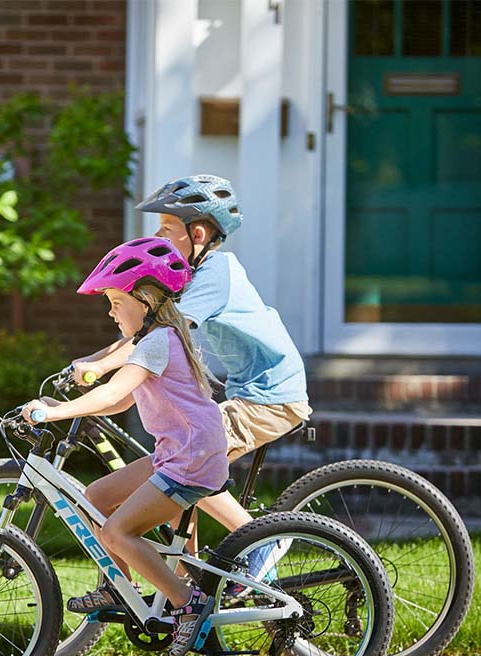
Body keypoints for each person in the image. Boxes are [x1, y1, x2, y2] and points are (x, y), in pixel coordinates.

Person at [72, 175, 311, 576]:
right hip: (251, 392)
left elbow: (156, 335)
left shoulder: (215, 273)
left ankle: (261, 539)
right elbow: (144, 336)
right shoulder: (189, 275)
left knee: (191, 460)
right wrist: (90, 361)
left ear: (196, 233)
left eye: (167, 228)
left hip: (270, 397)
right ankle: (189, 578)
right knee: (178, 471)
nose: (159, 236)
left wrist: (97, 365)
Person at [21, 237, 229, 656]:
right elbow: (121, 400)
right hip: (179, 451)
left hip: (189, 459)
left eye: (117, 300)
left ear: (146, 300)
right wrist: (64, 407)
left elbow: (112, 388)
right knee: (95, 497)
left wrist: (51, 416)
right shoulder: (154, 341)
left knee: (115, 530)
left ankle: (186, 602)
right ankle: (120, 587)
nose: (111, 310)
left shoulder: (157, 342)